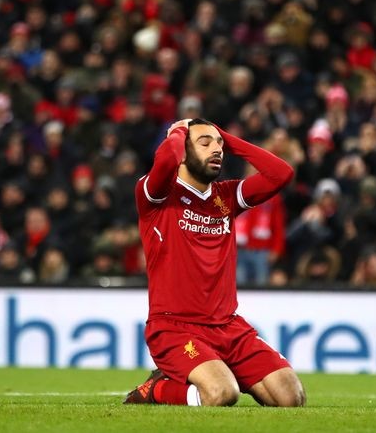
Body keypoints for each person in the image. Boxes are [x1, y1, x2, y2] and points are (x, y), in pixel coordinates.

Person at [123, 118, 305, 407]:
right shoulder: (158, 194)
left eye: (219, 144)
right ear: (183, 151)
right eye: (204, 143)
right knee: (222, 394)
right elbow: (167, 159)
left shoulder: (226, 196)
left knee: (291, 397)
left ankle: (217, 368)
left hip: (229, 327)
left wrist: (226, 138)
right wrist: (179, 130)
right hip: (175, 328)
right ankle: (155, 390)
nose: (216, 149)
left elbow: (281, 173)